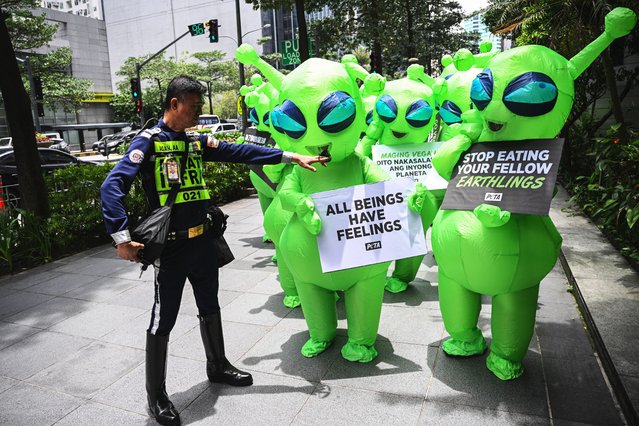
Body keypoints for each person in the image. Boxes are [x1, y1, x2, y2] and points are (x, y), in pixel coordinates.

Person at [100, 75, 328, 426]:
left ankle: (218, 365)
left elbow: (240, 151)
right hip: (172, 250)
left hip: (203, 243)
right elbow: (112, 186)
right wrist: (121, 237)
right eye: (194, 107)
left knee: (211, 306)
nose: (198, 114)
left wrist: (288, 155)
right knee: (164, 318)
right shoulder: (147, 142)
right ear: (174, 104)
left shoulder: (195, 142)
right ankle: (156, 395)